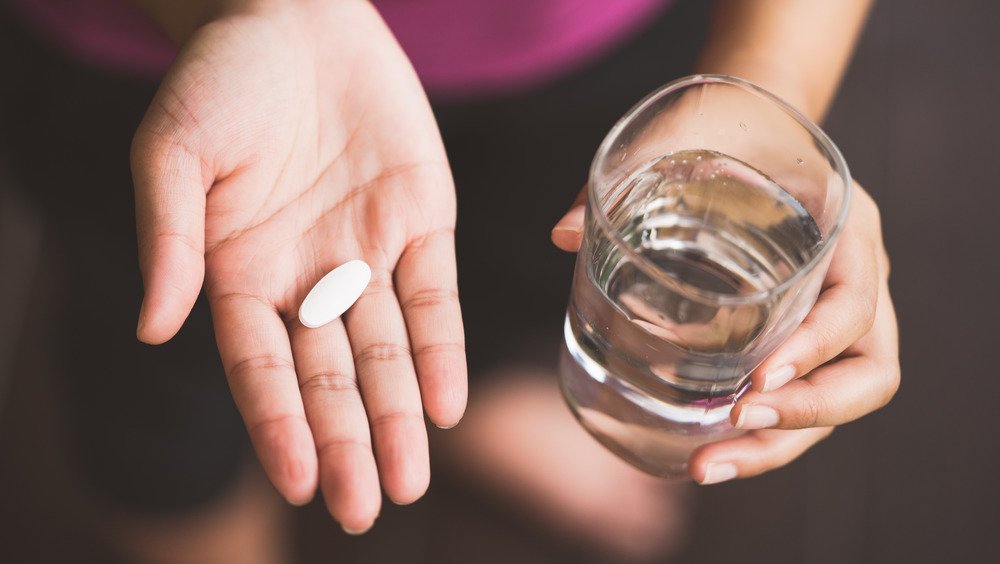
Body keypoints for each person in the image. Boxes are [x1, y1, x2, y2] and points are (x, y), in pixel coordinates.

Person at [0, 0, 899, 561]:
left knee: (509, 267)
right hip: (159, 48)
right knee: (166, 377)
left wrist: (769, 93)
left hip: (592, 40)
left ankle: (473, 405)